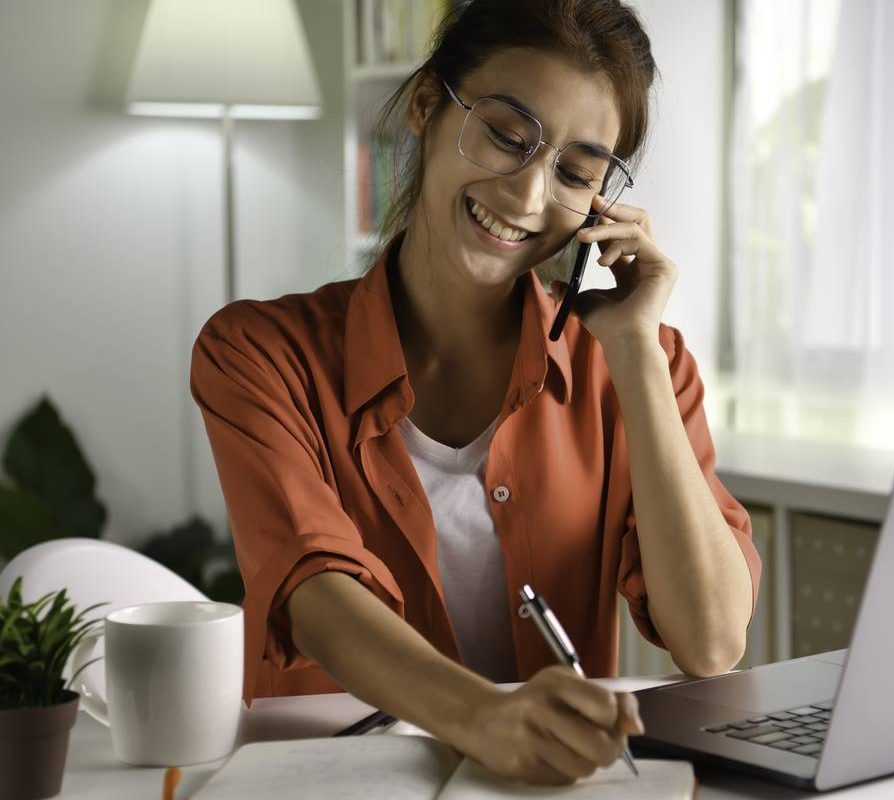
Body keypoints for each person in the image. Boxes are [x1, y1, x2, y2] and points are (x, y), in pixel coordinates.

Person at [190, 0, 761, 786]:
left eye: (575, 173)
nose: (527, 196)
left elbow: (711, 642)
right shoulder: (258, 353)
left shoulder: (644, 364)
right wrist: (485, 719)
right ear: (427, 105)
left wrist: (634, 355)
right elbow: (315, 595)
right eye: (505, 135)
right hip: (338, 784)